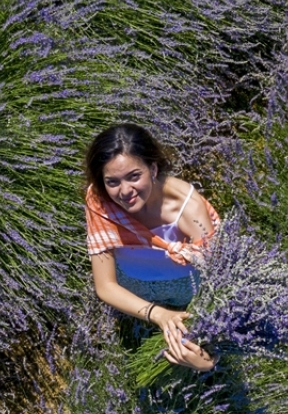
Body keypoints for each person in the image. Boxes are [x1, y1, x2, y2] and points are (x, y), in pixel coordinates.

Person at [83, 124, 219, 372]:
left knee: (188, 362)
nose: (125, 192)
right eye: (112, 181)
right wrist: (158, 314)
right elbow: (105, 286)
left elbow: (219, 282)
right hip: (131, 297)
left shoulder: (187, 208)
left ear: (153, 168)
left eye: (134, 176)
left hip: (188, 296)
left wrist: (207, 358)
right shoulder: (100, 202)